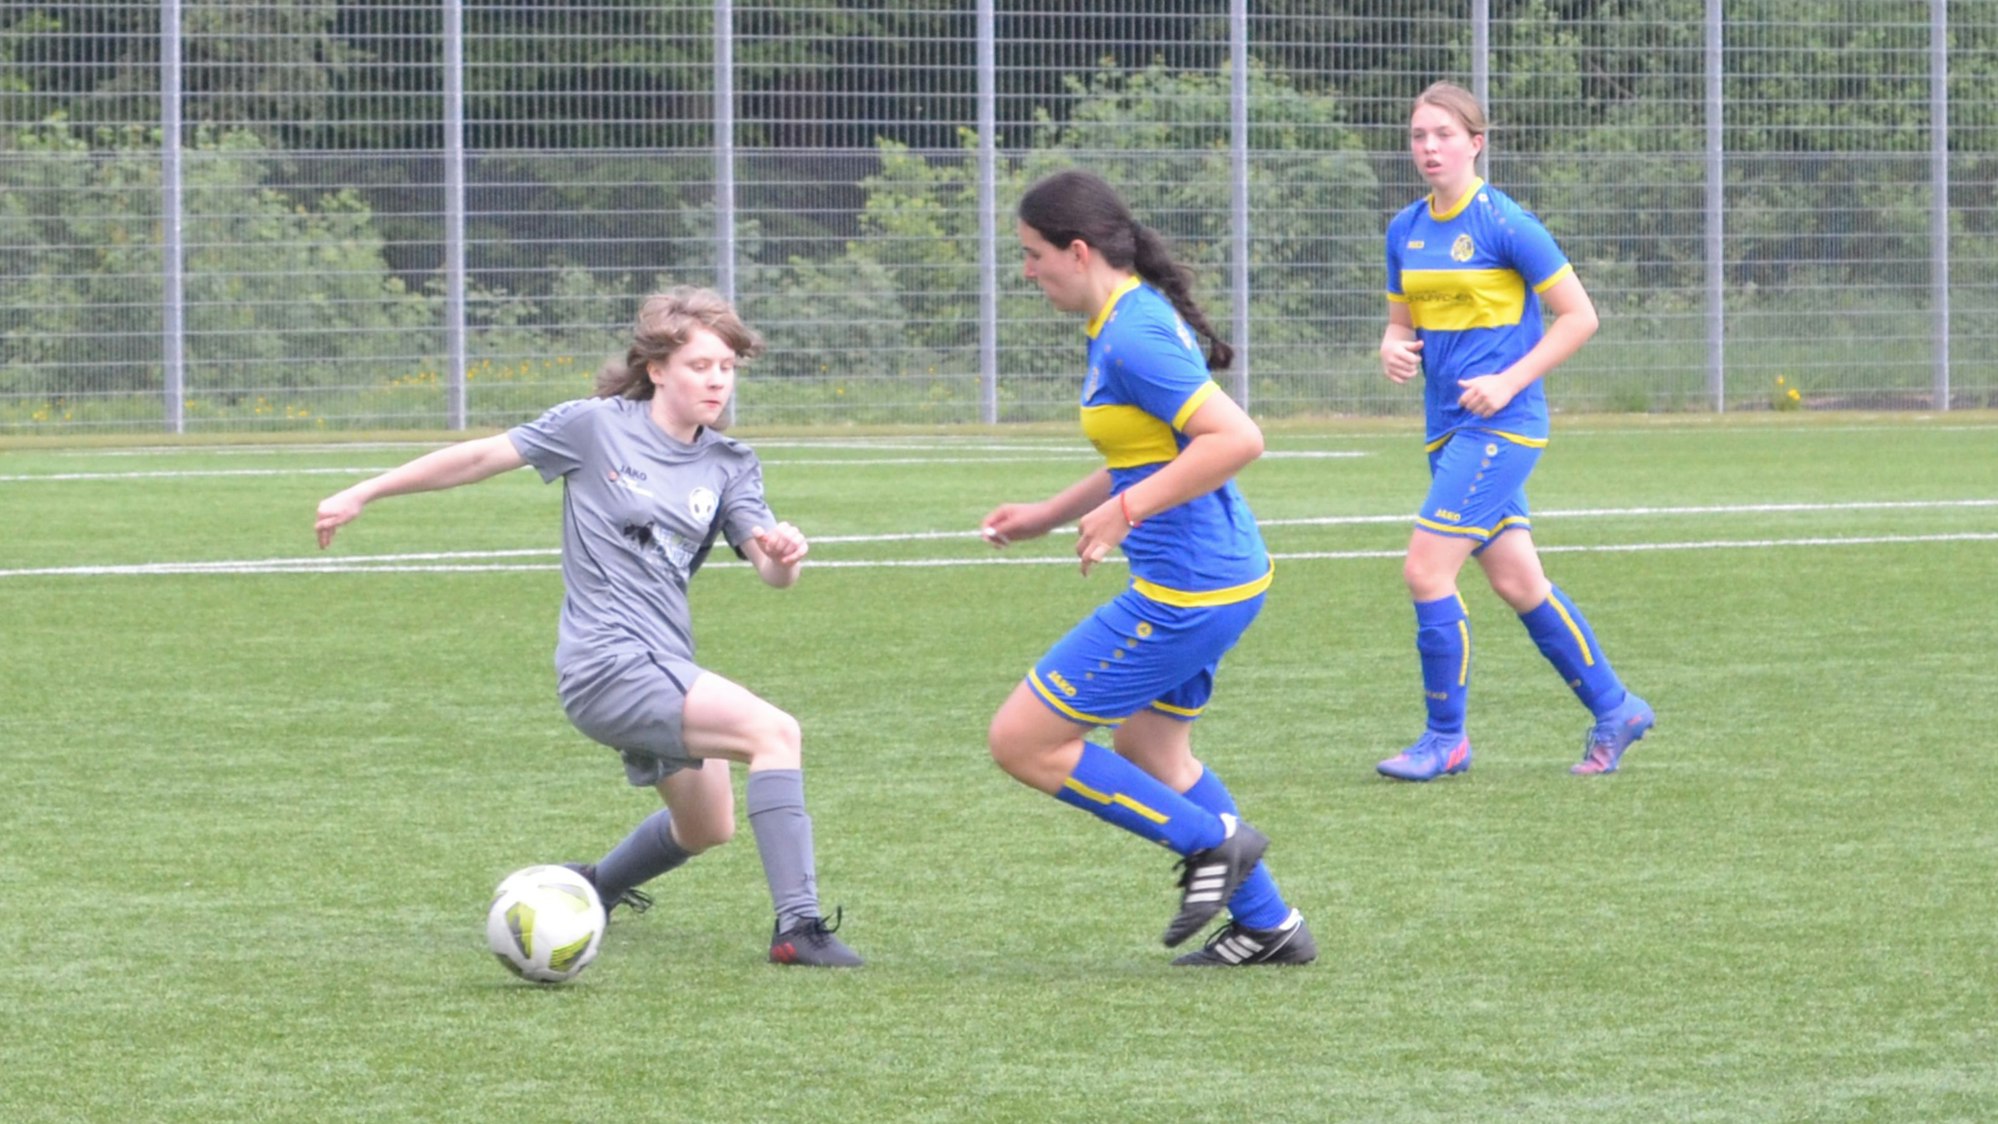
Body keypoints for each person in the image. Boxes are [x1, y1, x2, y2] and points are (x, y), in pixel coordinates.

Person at [314, 286, 862, 967]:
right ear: (658, 368)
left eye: (727, 365)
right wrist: (362, 491)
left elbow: (769, 569)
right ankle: (799, 927)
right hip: (606, 664)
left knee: (707, 825)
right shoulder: (594, 426)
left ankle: (592, 888)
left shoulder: (730, 465)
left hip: (665, 663)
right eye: (700, 364)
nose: (717, 379)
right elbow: (480, 458)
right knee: (775, 732)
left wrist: (784, 556)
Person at [982, 169, 1313, 967]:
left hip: (1188, 588)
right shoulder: (1122, 320)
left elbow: (1237, 439)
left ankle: (1211, 843)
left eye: (1032, 255)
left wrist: (1125, 513)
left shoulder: (1130, 332)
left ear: (1079, 249)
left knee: (1023, 742)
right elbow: (1146, 452)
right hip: (1222, 577)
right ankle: (1270, 927)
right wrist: (1049, 514)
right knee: (1153, 752)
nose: (1026, 272)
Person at [1374, 81, 1653, 782]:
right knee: (1518, 580)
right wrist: (1391, 345)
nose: (1429, 147)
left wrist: (1508, 380)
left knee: (1425, 569)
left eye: (1443, 134)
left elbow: (1579, 316)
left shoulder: (1506, 223)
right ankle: (1616, 708)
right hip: (1445, 429)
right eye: (1418, 135)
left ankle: (1447, 739)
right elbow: (1403, 322)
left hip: (1505, 426)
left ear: (1476, 142)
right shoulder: (1404, 230)